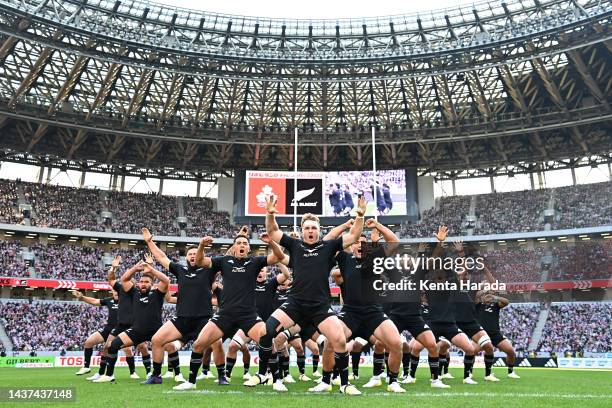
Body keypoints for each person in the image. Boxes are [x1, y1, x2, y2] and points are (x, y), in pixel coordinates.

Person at [246, 195, 366, 395]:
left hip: (320, 306)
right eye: (307, 228)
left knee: (339, 341)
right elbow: (273, 231)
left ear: (319, 231)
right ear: (302, 231)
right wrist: (269, 213)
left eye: (314, 228)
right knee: (266, 333)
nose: (310, 231)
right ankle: (263, 374)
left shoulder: (329, 247)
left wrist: (360, 216)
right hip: (295, 304)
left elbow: (353, 236)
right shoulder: (295, 245)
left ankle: (344, 384)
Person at [174, 232, 286, 391]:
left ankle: (277, 381)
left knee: (268, 342)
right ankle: (191, 382)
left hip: (248, 315)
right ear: (233, 247)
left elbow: (278, 256)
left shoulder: (254, 262)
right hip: (225, 314)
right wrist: (201, 246)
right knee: (199, 344)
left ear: (248, 248)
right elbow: (199, 261)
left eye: (244, 243)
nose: (241, 245)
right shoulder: (224, 261)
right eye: (238, 243)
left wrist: (271, 242)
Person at [313, 219, 405, 393]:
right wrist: (344, 227)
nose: (360, 245)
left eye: (364, 242)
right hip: (350, 312)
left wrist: (378, 226)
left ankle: (393, 381)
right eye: (356, 242)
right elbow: (325, 243)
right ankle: (326, 381)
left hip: (373, 312)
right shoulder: (344, 258)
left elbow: (394, 242)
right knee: (329, 342)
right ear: (351, 245)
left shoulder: (375, 257)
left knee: (396, 343)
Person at [141, 228, 217, 385]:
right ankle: (156, 376)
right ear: (186, 258)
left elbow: (228, 256)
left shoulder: (209, 270)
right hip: (182, 319)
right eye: (190, 254)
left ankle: (222, 375)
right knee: (156, 340)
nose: (193, 256)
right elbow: (162, 257)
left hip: (204, 319)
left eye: (195, 253)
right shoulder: (180, 270)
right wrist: (149, 242)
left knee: (217, 344)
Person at [94, 261, 169, 383]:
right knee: (113, 345)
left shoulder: (157, 293)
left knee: (170, 347)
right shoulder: (134, 292)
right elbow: (124, 279)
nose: (144, 284)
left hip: (155, 330)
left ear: (152, 284)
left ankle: (159, 375)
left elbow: (166, 280)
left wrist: (151, 269)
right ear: (138, 283)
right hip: (136, 330)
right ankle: (109, 375)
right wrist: (135, 268)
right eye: (142, 282)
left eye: (147, 282)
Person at [86, 256, 141, 381]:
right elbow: (111, 279)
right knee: (107, 346)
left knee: (140, 347)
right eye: (125, 282)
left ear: (133, 284)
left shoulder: (137, 292)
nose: (125, 283)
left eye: (129, 282)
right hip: (120, 325)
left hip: (134, 325)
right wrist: (113, 268)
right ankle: (103, 373)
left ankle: (144, 372)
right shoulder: (120, 289)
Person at [73, 289, 118, 376]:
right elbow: (94, 301)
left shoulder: (127, 300)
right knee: (88, 342)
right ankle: (86, 367)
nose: (116, 292)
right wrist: (82, 297)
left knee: (107, 349)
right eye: (114, 290)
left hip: (120, 329)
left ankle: (102, 373)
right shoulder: (109, 300)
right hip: (108, 329)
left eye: (118, 290)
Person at [476, 292, 520, 379]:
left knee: (511, 352)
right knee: (472, 351)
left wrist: (494, 297)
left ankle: (510, 372)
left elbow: (506, 302)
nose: (487, 297)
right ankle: (469, 373)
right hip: (481, 334)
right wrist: (483, 292)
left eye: (488, 295)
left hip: (495, 334)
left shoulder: (495, 305)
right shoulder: (478, 305)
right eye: (485, 295)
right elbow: (476, 296)